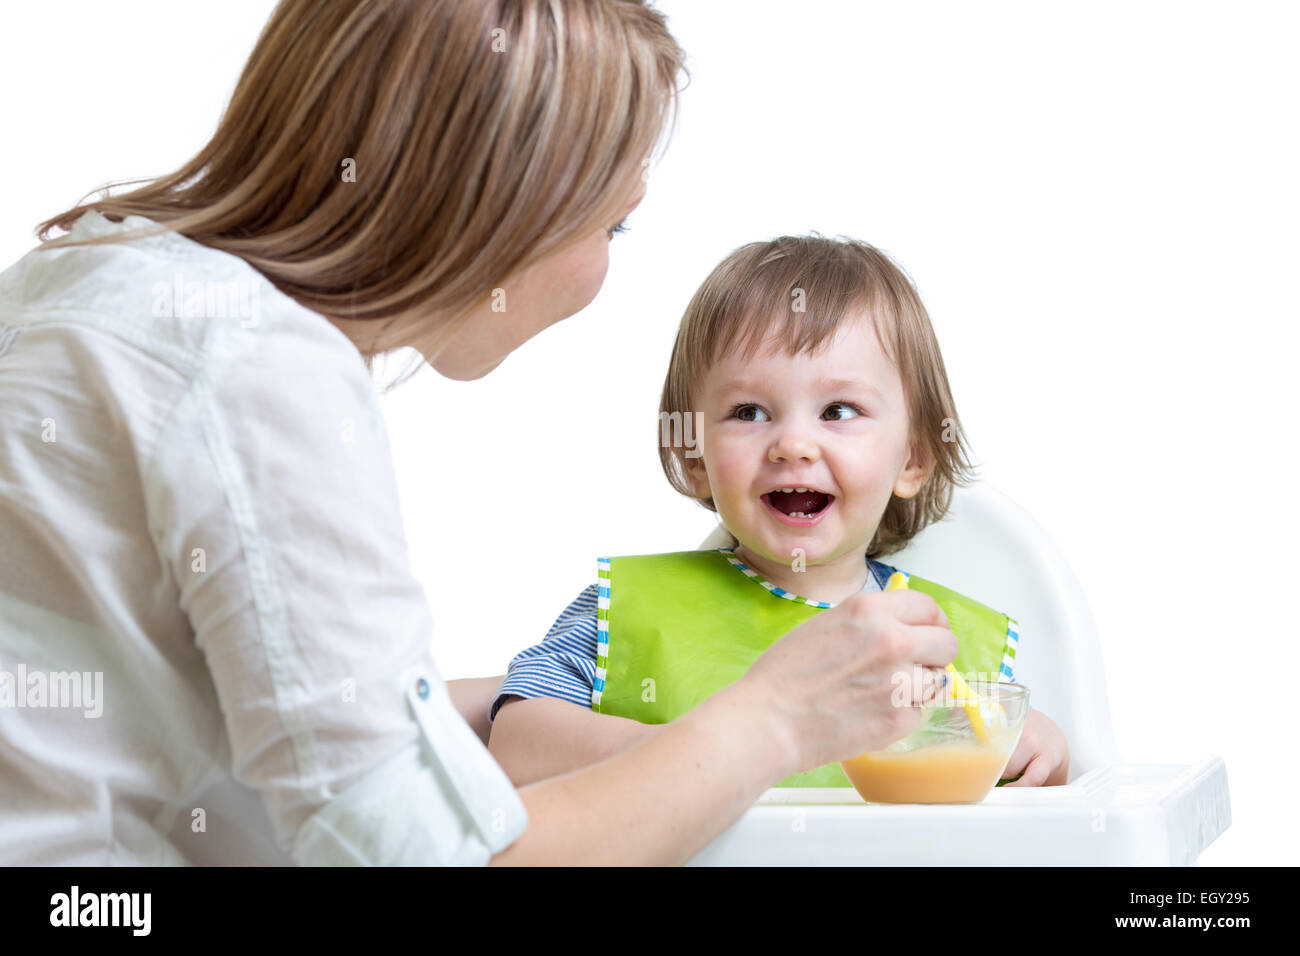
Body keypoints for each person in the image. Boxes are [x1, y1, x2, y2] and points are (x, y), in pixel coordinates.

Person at [1, 0, 966, 866]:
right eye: (612, 228)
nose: (599, 272)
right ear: (500, 209)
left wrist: (554, 699)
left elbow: (264, 712)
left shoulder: (88, 275)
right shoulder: (259, 376)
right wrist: (774, 719)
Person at [488, 235, 1070, 791]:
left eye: (838, 410)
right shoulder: (628, 611)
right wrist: (694, 755)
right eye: (748, 411)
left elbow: (1007, 828)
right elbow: (515, 743)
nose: (793, 444)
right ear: (694, 456)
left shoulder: (949, 646)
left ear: (912, 457)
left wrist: (1036, 753)